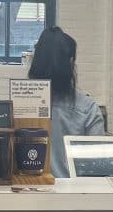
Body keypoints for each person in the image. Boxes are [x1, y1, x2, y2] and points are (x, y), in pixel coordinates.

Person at [28, 27, 105, 177]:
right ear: (70, 62)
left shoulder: (19, 106)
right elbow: (97, 165)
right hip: (74, 195)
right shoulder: (87, 109)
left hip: (29, 192)